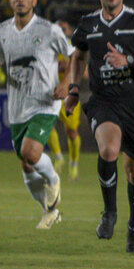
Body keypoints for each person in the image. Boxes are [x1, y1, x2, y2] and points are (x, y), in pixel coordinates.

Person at [62, 0, 134, 253]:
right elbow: (77, 56)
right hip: (104, 101)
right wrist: (73, 89)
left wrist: (127, 60)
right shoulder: (87, 24)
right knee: (108, 150)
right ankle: (109, 213)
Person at [0, 0, 72, 229]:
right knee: (26, 163)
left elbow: (75, 55)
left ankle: (53, 179)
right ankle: (49, 211)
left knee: (30, 153)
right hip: (17, 107)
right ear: (10, 1)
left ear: (34, 1)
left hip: (45, 102)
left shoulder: (49, 30)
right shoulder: (1, 31)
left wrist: (66, 83)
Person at [46, 19, 83, 181]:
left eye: (64, 28)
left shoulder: (74, 49)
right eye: (58, 28)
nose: (61, 31)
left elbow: (84, 73)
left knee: (72, 132)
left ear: (69, 31)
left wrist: (68, 68)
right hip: (51, 93)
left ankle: (73, 164)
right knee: (47, 125)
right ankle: (58, 157)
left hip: (69, 96)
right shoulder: (47, 48)